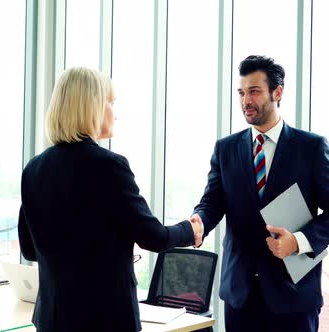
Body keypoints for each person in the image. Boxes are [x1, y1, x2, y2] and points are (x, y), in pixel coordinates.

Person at [18, 67, 203, 332]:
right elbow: (154, 237)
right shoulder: (108, 166)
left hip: (53, 320)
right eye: (111, 102)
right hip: (105, 320)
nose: (115, 112)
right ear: (91, 106)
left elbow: (28, 249)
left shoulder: (34, 169)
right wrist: (191, 230)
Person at [190, 55, 329, 331]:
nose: (245, 101)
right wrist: (199, 221)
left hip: (293, 295)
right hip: (240, 295)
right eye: (241, 92)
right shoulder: (225, 149)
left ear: (277, 93)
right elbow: (212, 203)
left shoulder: (310, 148)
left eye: (254, 91)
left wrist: (298, 242)